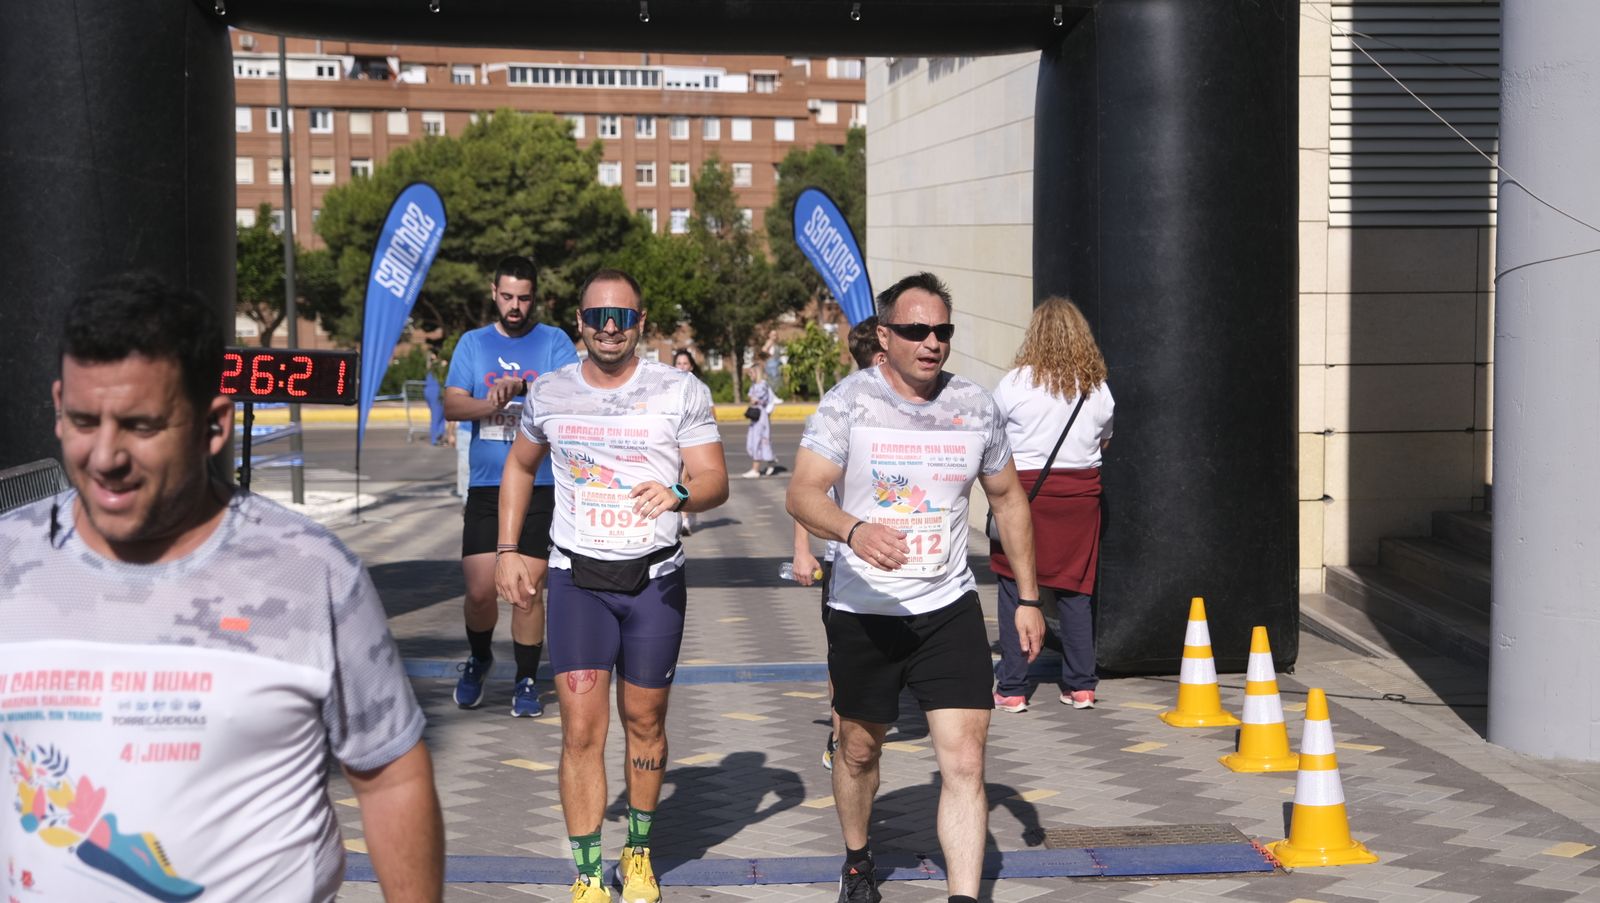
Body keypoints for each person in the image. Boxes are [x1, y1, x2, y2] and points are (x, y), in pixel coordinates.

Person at [0, 273, 443, 902]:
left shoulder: (312, 574)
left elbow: (391, 777)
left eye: (140, 426)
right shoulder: (7, 561)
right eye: (81, 420)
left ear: (213, 426)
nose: (104, 456)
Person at [786, 272, 1044, 903]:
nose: (931, 342)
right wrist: (852, 530)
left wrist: (1030, 599)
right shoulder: (850, 402)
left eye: (942, 331)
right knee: (858, 751)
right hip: (863, 609)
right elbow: (801, 492)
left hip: (947, 606)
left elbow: (1008, 500)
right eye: (915, 330)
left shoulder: (974, 407)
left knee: (964, 761)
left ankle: (963, 896)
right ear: (884, 334)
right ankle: (856, 861)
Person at [495, 269, 728, 903]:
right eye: (598, 316)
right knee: (580, 730)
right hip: (577, 582)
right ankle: (589, 874)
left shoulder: (679, 390)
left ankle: (640, 853)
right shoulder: (550, 393)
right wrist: (509, 549)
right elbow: (518, 465)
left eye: (622, 317)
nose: (608, 327)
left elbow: (713, 478)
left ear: (641, 323)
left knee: (645, 722)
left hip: (654, 582)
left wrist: (678, 491)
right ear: (579, 321)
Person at [444, 255, 580, 717]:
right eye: (507, 297)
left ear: (534, 297)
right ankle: (479, 658)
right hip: (487, 485)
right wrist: (491, 403)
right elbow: (451, 405)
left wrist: (521, 385)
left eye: (524, 297)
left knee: (527, 589)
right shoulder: (472, 343)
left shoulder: (555, 341)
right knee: (481, 590)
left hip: (542, 484)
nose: (515, 305)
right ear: (493, 292)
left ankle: (525, 678)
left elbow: (569, 394)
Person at [990, 297, 1115, 712]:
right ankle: (1081, 685)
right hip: (1081, 498)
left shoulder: (1015, 383)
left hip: (1025, 496)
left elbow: (992, 437)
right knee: (1076, 590)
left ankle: (1011, 687)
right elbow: (1104, 441)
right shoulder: (1096, 387)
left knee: (1013, 587)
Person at [791, 316, 885, 771]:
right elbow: (806, 492)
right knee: (843, 658)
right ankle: (838, 732)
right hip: (846, 563)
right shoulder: (839, 409)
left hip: (905, 562)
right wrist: (802, 549)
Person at [672, 348, 704, 536]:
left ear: (691, 366)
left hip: (693, 440)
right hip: (675, 440)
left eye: (685, 363)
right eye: (679, 363)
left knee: (689, 478)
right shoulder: (668, 388)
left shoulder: (700, 387)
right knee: (679, 477)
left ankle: (687, 516)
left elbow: (711, 415)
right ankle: (683, 519)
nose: (682, 367)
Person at [742, 363, 779, 478]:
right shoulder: (754, 385)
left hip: (760, 416)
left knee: (758, 440)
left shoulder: (762, 385)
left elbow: (758, 399)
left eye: (751, 373)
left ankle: (755, 469)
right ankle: (770, 461)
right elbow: (750, 396)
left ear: (757, 373)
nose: (750, 375)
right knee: (757, 440)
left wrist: (755, 399)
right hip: (755, 416)